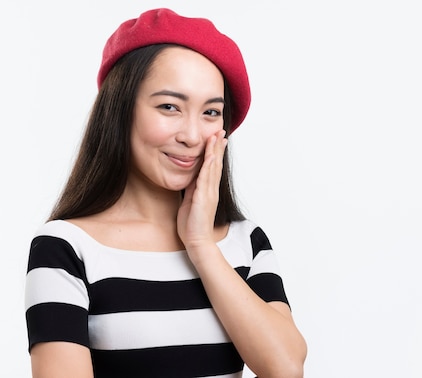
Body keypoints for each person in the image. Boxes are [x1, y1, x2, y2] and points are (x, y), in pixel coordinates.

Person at [24, 8, 307, 378]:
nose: (191, 135)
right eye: (169, 107)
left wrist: (201, 245)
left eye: (211, 112)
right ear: (119, 110)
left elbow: (285, 368)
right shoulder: (65, 247)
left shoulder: (245, 241)